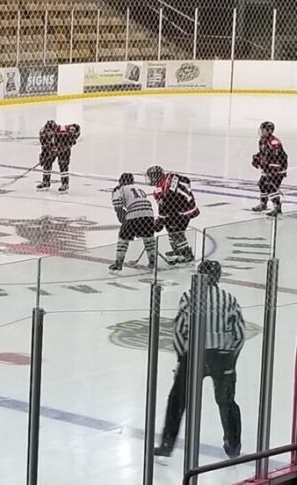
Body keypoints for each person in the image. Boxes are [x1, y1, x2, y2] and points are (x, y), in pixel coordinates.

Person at [155, 259, 245, 459]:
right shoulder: (229, 299)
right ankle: (233, 445)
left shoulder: (189, 296)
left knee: (177, 399)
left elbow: (179, 331)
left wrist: (182, 358)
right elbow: (239, 334)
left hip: (194, 355)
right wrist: (231, 359)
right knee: (226, 401)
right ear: (218, 277)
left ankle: (167, 444)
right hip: (222, 356)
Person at [146, 165, 200, 264]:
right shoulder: (172, 176)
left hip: (183, 212)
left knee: (175, 231)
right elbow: (187, 180)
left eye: (151, 176)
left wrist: (158, 223)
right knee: (171, 228)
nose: (149, 179)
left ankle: (186, 254)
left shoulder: (161, 190)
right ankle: (178, 251)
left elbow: (165, 209)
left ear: (156, 177)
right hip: (188, 207)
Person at [109, 173, 157, 271]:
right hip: (149, 214)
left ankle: (118, 263)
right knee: (148, 238)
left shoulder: (120, 189)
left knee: (123, 238)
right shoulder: (139, 188)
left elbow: (118, 204)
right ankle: (152, 261)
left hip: (134, 215)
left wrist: (123, 219)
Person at [251, 121, 287, 217]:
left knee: (271, 186)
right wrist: (256, 158)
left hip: (277, 169)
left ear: (269, 130)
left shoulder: (274, 142)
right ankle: (263, 204)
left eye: (263, 130)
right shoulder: (262, 140)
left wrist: (267, 165)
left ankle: (277, 207)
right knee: (262, 184)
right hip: (267, 168)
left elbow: (277, 157)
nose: (261, 131)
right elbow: (263, 153)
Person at [37, 120, 80, 193]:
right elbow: (44, 146)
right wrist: (43, 155)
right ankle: (46, 182)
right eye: (47, 130)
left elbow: (77, 127)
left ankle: (65, 184)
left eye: (50, 131)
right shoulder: (42, 133)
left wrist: (71, 141)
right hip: (51, 149)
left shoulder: (63, 130)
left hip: (63, 150)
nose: (49, 132)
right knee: (47, 163)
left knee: (63, 164)